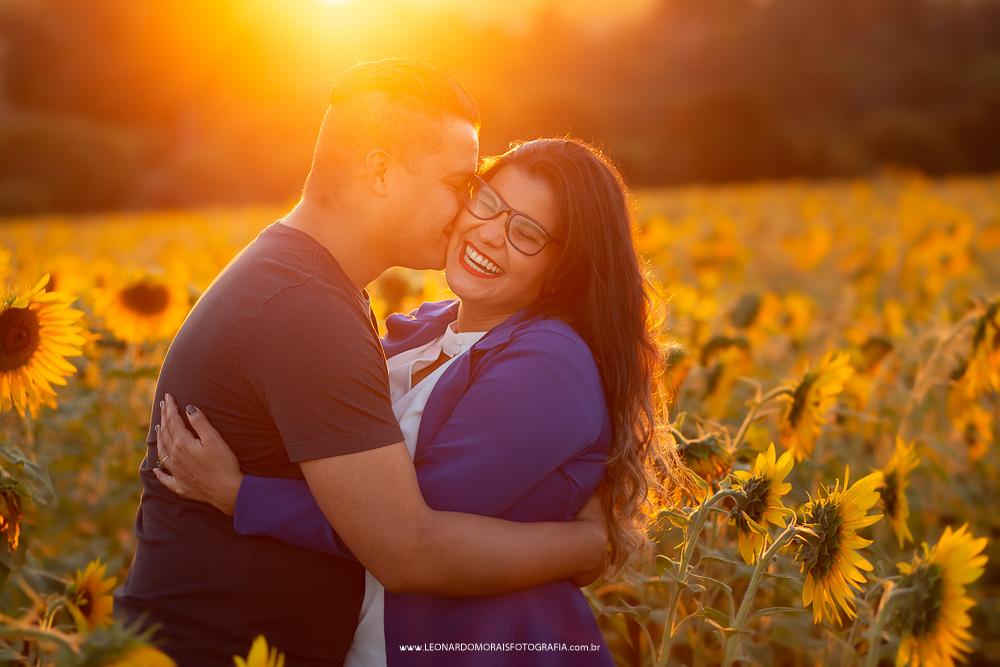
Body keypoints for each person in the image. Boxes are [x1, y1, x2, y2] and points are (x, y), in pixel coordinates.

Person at [113, 61, 610, 667]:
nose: (467, 216)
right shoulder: (306, 308)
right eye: (464, 188)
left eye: (526, 230)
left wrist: (243, 494)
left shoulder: (313, 286)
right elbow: (406, 547)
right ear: (380, 172)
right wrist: (582, 547)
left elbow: (406, 532)